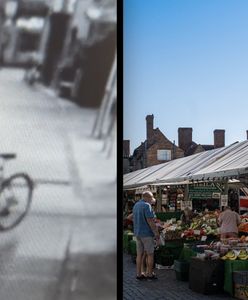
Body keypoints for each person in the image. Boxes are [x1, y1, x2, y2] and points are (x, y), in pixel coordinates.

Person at [132, 191, 160, 280]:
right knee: (150, 254)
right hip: (147, 234)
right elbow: (150, 221)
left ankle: (139, 274)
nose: (152, 200)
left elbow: (132, 217)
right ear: (147, 197)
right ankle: (150, 274)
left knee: (139, 254)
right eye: (151, 198)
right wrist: (156, 233)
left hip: (137, 233)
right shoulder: (147, 206)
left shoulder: (136, 205)